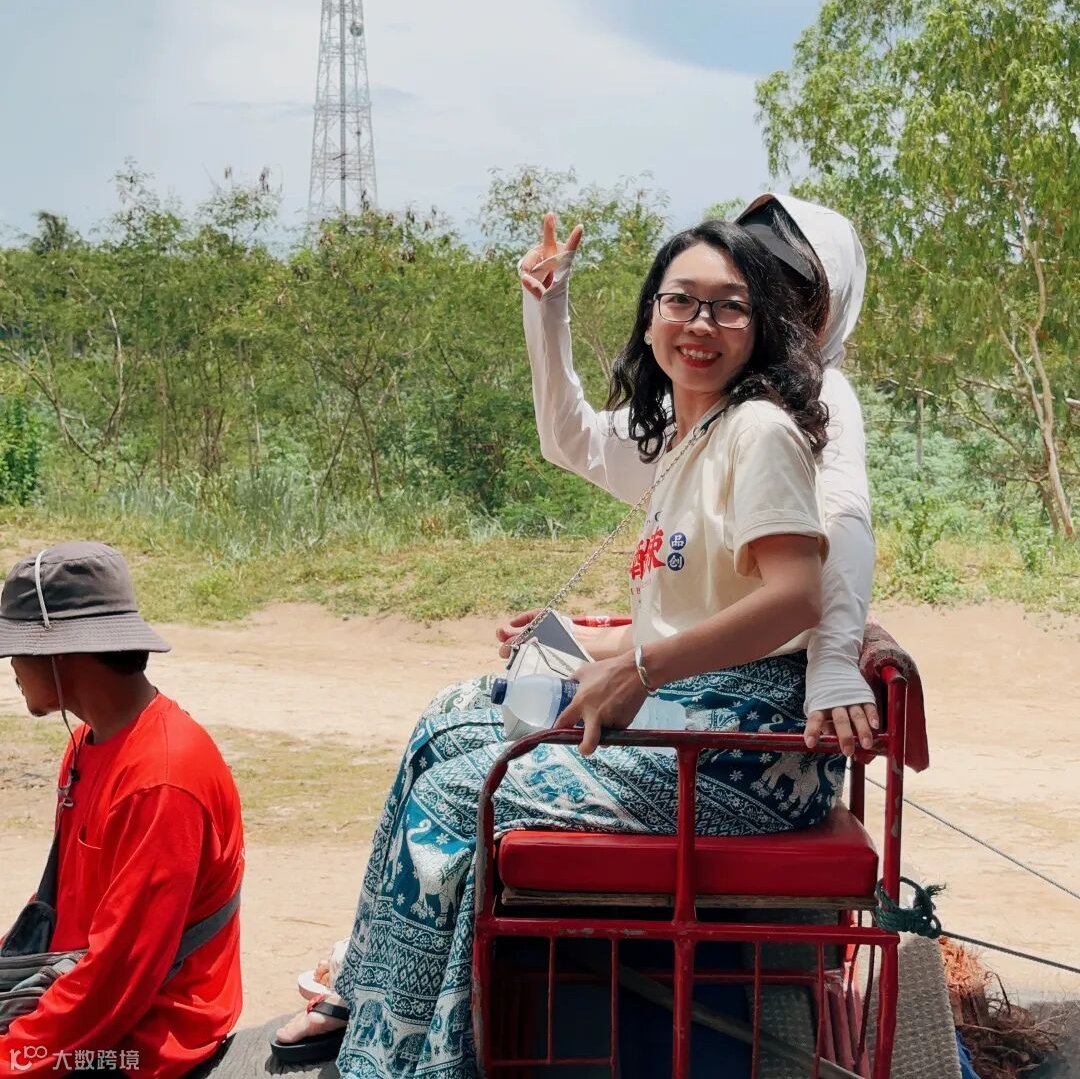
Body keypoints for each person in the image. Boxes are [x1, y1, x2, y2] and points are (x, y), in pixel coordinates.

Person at [276, 220, 845, 1078]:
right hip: (688, 712)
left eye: (729, 308)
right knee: (444, 722)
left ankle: (401, 1058)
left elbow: (795, 597)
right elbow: (688, 591)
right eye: (682, 302)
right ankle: (368, 988)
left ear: (759, 328)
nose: (701, 325)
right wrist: (603, 651)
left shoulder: (757, 431)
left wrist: (639, 671)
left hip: (747, 751)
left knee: (456, 795)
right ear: (651, 318)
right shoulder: (686, 440)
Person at [519, 194, 879, 756]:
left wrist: (833, 661)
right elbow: (575, 441)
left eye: (783, 287)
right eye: (757, 269)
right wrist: (546, 308)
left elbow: (844, 523)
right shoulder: (698, 413)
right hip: (686, 684)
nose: (706, 320)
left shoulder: (796, 405)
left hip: (731, 705)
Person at [0, 542, 243, 1078]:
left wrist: (10, 1057)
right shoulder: (86, 743)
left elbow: (117, 980)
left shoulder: (162, 778)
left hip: (145, 1038)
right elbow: (65, 907)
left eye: (16, 650)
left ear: (61, 653)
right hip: (73, 987)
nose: (12, 669)